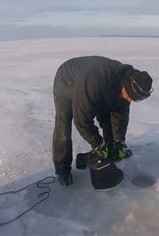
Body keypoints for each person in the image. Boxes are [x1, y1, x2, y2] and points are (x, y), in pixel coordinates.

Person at [52, 56, 153, 186]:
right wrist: (98, 143)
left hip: (94, 86)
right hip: (67, 82)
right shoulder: (94, 81)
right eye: (128, 96)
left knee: (108, 115)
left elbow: (119, 115)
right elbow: (82, 120)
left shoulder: (127, 82)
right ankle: (62, 169)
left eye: (132, 99)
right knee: (63, 124)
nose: (129, 100)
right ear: (125, 86)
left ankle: (110, 149)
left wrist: (119, 142)